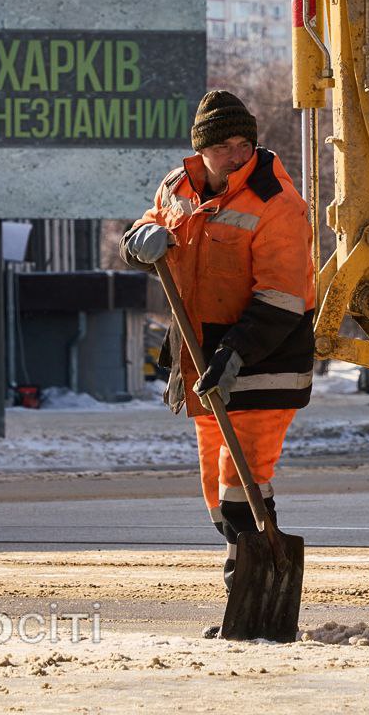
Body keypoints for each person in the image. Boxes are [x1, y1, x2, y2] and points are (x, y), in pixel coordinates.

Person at [120, 90, 315, 613]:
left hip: (265, 360)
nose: (236, 155)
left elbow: (282, 297)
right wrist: (138, 240)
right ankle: (244, 580)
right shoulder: (177, 187)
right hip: (203, 361)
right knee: (217, 489)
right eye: (223, 146)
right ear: (201, 149)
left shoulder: (276, 202)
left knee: (240, 480)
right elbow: (147, 229)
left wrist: (234, 354)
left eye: (243, 144)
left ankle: (254, 603)